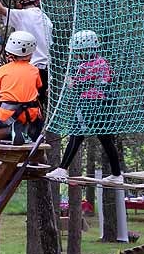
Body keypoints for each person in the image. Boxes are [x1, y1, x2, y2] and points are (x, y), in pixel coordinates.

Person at [46, 29, 125, 184]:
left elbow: (78, 85)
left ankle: (62, 169)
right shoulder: (101, 61)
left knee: (76, 134)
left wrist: (71, 82)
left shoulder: (89, 66)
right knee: (105, 138)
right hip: (103, 105)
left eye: (78, 52)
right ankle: (116, 174)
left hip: (91, 104)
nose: (76, 55)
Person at [0, 0, 53, 94]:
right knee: (34, 107)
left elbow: (0, 9)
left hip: (28, 70)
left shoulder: (22, 16)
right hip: (45, 71)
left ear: (20, 0)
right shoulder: (46, 19)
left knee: (20, 104)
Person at [0, 30, 43, 144]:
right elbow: (36, 93)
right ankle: (25, 133)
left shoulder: (1, 71)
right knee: (35, 126)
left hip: (6, 116)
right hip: (29, 116)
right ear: (31, 53)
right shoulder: (35, 71)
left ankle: (9, 130)